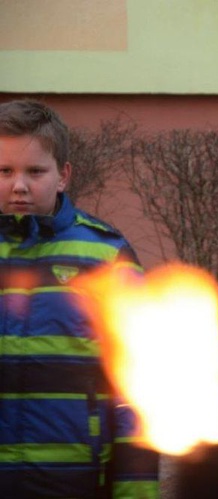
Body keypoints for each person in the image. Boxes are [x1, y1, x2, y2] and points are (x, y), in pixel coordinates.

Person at [0, 99, 159, 498]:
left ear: (63, 176)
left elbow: (137, 391)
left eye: (35, 171)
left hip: (76, 482)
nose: (19, 185)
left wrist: (135, 491)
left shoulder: (106, 257)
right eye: (4, 171)